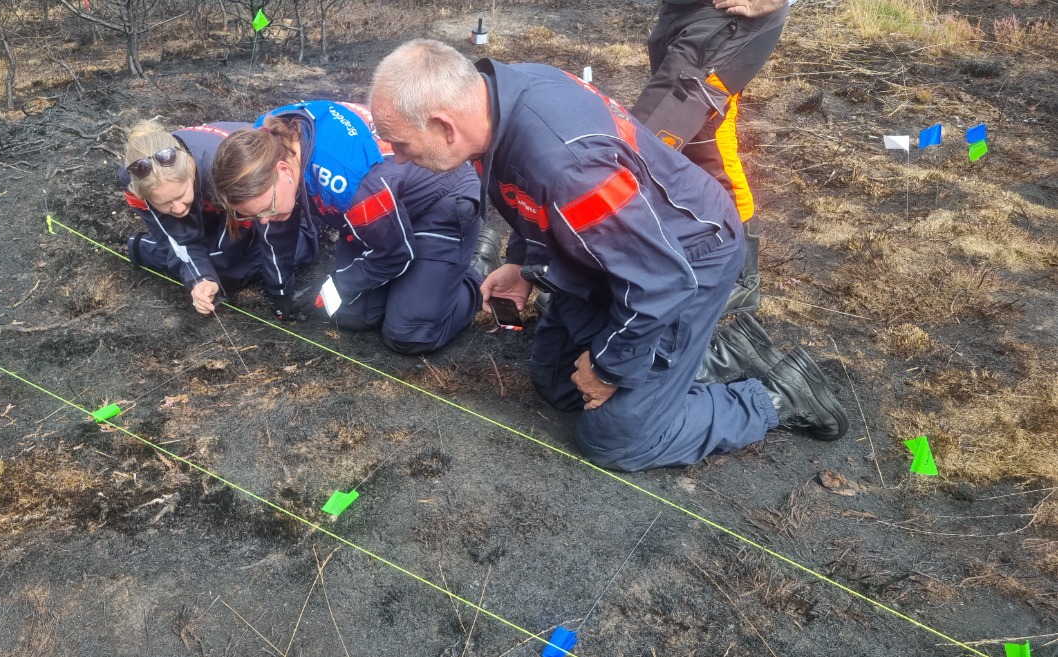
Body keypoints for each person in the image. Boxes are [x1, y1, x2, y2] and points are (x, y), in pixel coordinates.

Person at [369, 39, 848, 471]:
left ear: (445, 126)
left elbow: (661, 281)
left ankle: (778, 396)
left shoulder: (571, 169)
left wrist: (607, 368)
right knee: (558, 385)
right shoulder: (498, 94)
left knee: (615, 438)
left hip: (685, 258)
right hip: (616, 252)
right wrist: (522, 264)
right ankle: (712, 358)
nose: (401, 158)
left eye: (403, 144)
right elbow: (527, 192)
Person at [211, 100, 501, 355]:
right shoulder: (265, 143)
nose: (263, 221)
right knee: (348, 313)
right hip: (381, 211)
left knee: (409, 334)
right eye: (255, 216)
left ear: (284, 170)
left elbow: (394, 254)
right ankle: (423, 281)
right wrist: (279, 291)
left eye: (267, 210)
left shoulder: (349, 184)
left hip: (439, 202)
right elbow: (277, 227)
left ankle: (476, 269)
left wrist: (337, 283)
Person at [630, 0, 792, 315]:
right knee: (696, 141)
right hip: (680, 13)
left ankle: (740, 278)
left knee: (647, 146)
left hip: (727, 22)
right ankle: (700, 256)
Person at [119, 119, 315, 315]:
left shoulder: (224, 174)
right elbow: (178, 239)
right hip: (214, 207)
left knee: (294, 249)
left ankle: (149, 249)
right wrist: (202, 279)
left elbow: (273, 228)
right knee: (215, 268)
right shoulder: (136, 181)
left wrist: (280, 291)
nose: (178, 209)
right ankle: (159, 249)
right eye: (163, 203)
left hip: (255, 203)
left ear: (190, 168)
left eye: (181, 195)